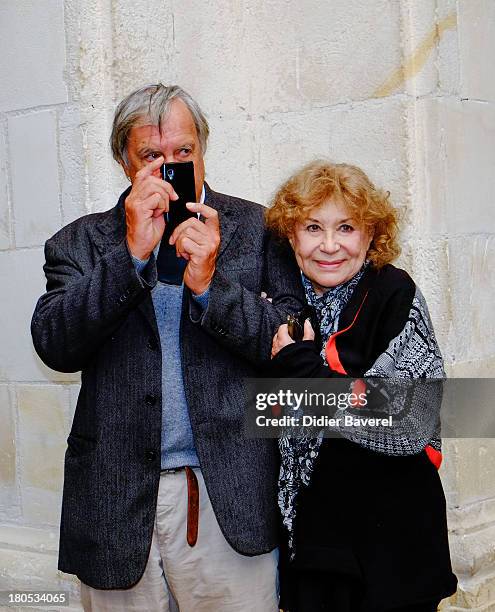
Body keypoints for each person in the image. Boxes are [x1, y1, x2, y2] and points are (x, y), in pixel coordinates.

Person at [31, 83, 305, 611]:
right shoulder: (79, 242)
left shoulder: (257, 229)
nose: (170, 166)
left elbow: (289, 348)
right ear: (124, 162)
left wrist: (210, 285)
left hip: (227, 499)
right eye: (152, 156)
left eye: (184, 152)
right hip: (114, 502)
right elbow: (55, 345)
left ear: (203, 148)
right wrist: (131, 254)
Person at [266, 161, 458, 611]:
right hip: (317, 554)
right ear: (292, 236)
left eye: (346, 227)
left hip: (393, 555)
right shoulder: (283, 303)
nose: (329, 245)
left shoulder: (394, 293)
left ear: (371, 236)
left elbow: (411, 420)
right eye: (313, 227)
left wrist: (305, 373)